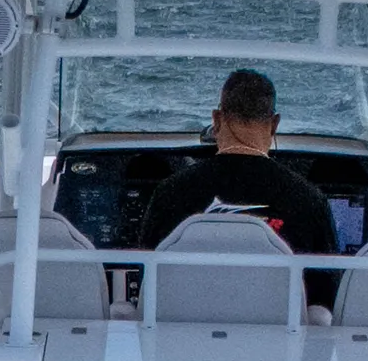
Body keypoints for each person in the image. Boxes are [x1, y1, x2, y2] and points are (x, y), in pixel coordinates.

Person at [139, 69, 340, 305]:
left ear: (216, 119)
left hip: (185, 334)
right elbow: (326, 296)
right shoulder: (308, 200)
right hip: (278, 338)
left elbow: (146, 278)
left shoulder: (169, 193)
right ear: (274, 124)